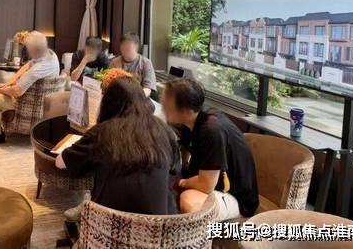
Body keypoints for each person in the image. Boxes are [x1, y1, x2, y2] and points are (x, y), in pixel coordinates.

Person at [55, 76, 180, 216]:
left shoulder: (102, 133)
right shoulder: (164, 130)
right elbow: (175, 172)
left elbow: (60, 162)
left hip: (110, 224)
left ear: (108, 103)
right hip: (159, 224)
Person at [161, 78, 259, 221]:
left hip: (237, 198)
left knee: (188, 200)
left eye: (167, 104)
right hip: (215, 185)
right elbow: (184, 151)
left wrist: (182, 182)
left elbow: (206, 185)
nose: (163, 107)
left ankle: (198, 235)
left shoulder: (211, 129)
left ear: (187, 111)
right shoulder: (191, 121)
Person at [0, 31, 59, 146]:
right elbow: (27, 65)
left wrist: (1, 89)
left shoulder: (37, 70)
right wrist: (10, 82)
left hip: (28, 104)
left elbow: (17, 91)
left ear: (33, 50)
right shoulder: (50, 54)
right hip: (34, 98)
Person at [110, 32, 157, 99]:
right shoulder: (114, 62)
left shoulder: (146, 63)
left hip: (139, 99)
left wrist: (135, 98)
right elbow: (109, 84)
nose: (124, 50)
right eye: (122, 46)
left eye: (127, 47)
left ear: (136, 47)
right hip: (118, 98)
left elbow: (148, 88)